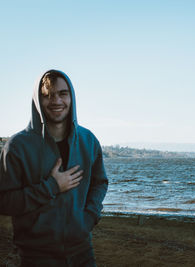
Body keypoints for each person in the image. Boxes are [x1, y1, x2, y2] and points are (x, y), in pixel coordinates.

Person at [0, 70, 108, 266]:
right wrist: (51, 187)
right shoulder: (17, 147)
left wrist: (89, 217)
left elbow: (100, 183)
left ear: (71, 96)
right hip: (36, 255)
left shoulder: (88, 140)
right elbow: (4, 202)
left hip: (82, 252)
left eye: (62, 93)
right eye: (47, 95)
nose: (56, 100)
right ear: (37, 100)